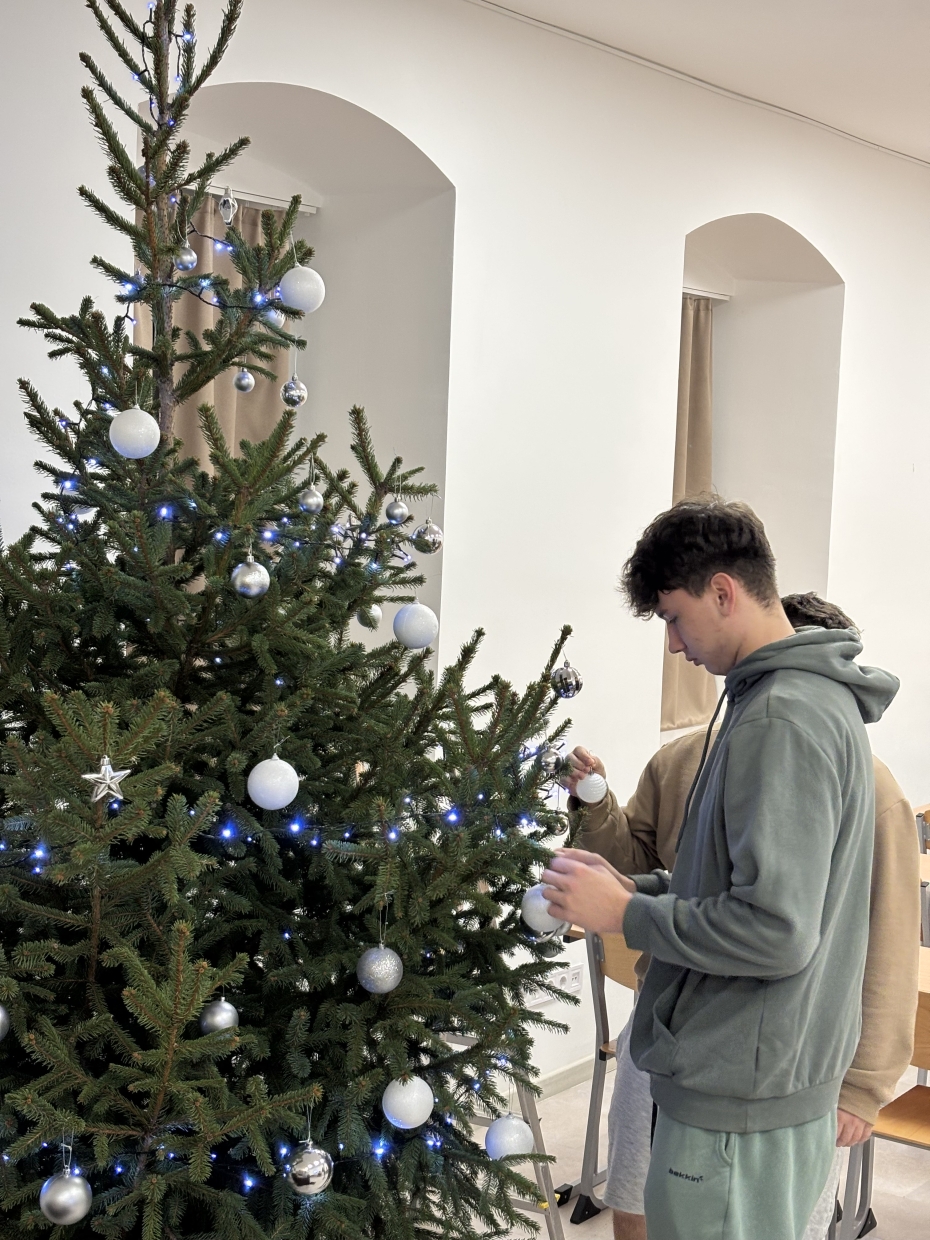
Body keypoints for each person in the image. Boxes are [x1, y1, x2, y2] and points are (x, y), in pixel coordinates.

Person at [541, 498, 900, 1240]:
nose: (674, 645)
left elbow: (775, 931)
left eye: (674, 617)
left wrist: (626, 914)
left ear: (725, 592)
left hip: (741, 1104)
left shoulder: (782, 718)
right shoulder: (781, 704)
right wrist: (634, 888)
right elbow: (737, 890)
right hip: (750, 1089)